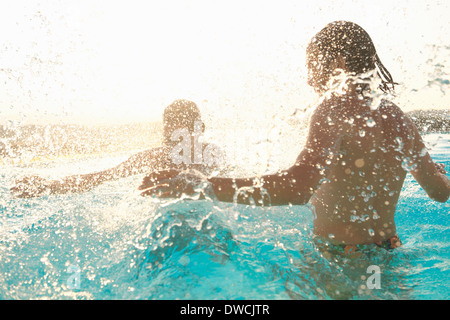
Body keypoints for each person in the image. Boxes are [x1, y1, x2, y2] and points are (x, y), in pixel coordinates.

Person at [139, 21, 450, 253]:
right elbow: (439, 192)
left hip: (339, 259)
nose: (309, 78)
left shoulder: (334, 108)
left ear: (338, 63)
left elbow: (299, 187)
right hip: (389, 250)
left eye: (313, 66)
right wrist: (440, 174)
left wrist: (204, 185)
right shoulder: (399, 118)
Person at [11, 99, 221, 198]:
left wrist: (48, 185)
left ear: (199, 129)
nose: (172, 130)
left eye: (179, 123)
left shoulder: (211, 155)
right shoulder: (157, 157)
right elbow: (99, 177)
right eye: (170, 123)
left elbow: (99, 178)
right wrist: (49, 184)